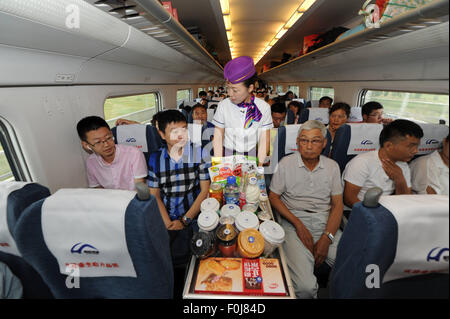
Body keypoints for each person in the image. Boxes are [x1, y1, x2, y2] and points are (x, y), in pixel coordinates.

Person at [269, 120, 343, 298]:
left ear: (324, 143)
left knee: (357, 268)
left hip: (325, 221)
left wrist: (328, 237)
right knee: (305, 288)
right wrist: (298, 224)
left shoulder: (332, 167)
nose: (309, 146)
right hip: (292, 221)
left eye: (315, 141)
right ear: (297, 142)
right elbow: (273, 197)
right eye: (304, 140)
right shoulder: (286, 164)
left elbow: (337, 205)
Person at [147, 110, 210, 265]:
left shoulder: (198, 153)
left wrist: (185, 220)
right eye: (174, 131)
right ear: (162, 134)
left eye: (184, 129)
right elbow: (154, 195)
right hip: (165, 217)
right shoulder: (155, 159)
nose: (181, 135)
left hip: (192, 216)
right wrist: (168, 223)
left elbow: (205, 190)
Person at [343, 119, 423, 208]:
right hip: (358, 210)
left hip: (387, 209)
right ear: (389, 146)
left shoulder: (403, 165)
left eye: (417, 146)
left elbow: (404, 200)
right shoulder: (362, 163)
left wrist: (399, 179)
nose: (416, 151)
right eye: (411, 146)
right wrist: (373, 216)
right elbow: (349, 199)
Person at [212, 56, 273, 165]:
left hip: (252, 156)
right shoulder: (223, 105)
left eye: (235, 90)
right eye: (228, 88)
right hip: (227, 155)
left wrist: (259, 166)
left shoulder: (264, 108)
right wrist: (218, 165)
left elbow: (264, 140)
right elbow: (218, 137)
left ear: (250, 88)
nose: (230, 94)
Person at [76, 116, 147, 191]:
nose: (106, 145)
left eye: (109, 138)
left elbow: (139, 188)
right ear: (86, 145)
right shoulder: (91, 162)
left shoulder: (133, 153)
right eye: (98, 142)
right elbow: (98, 189)